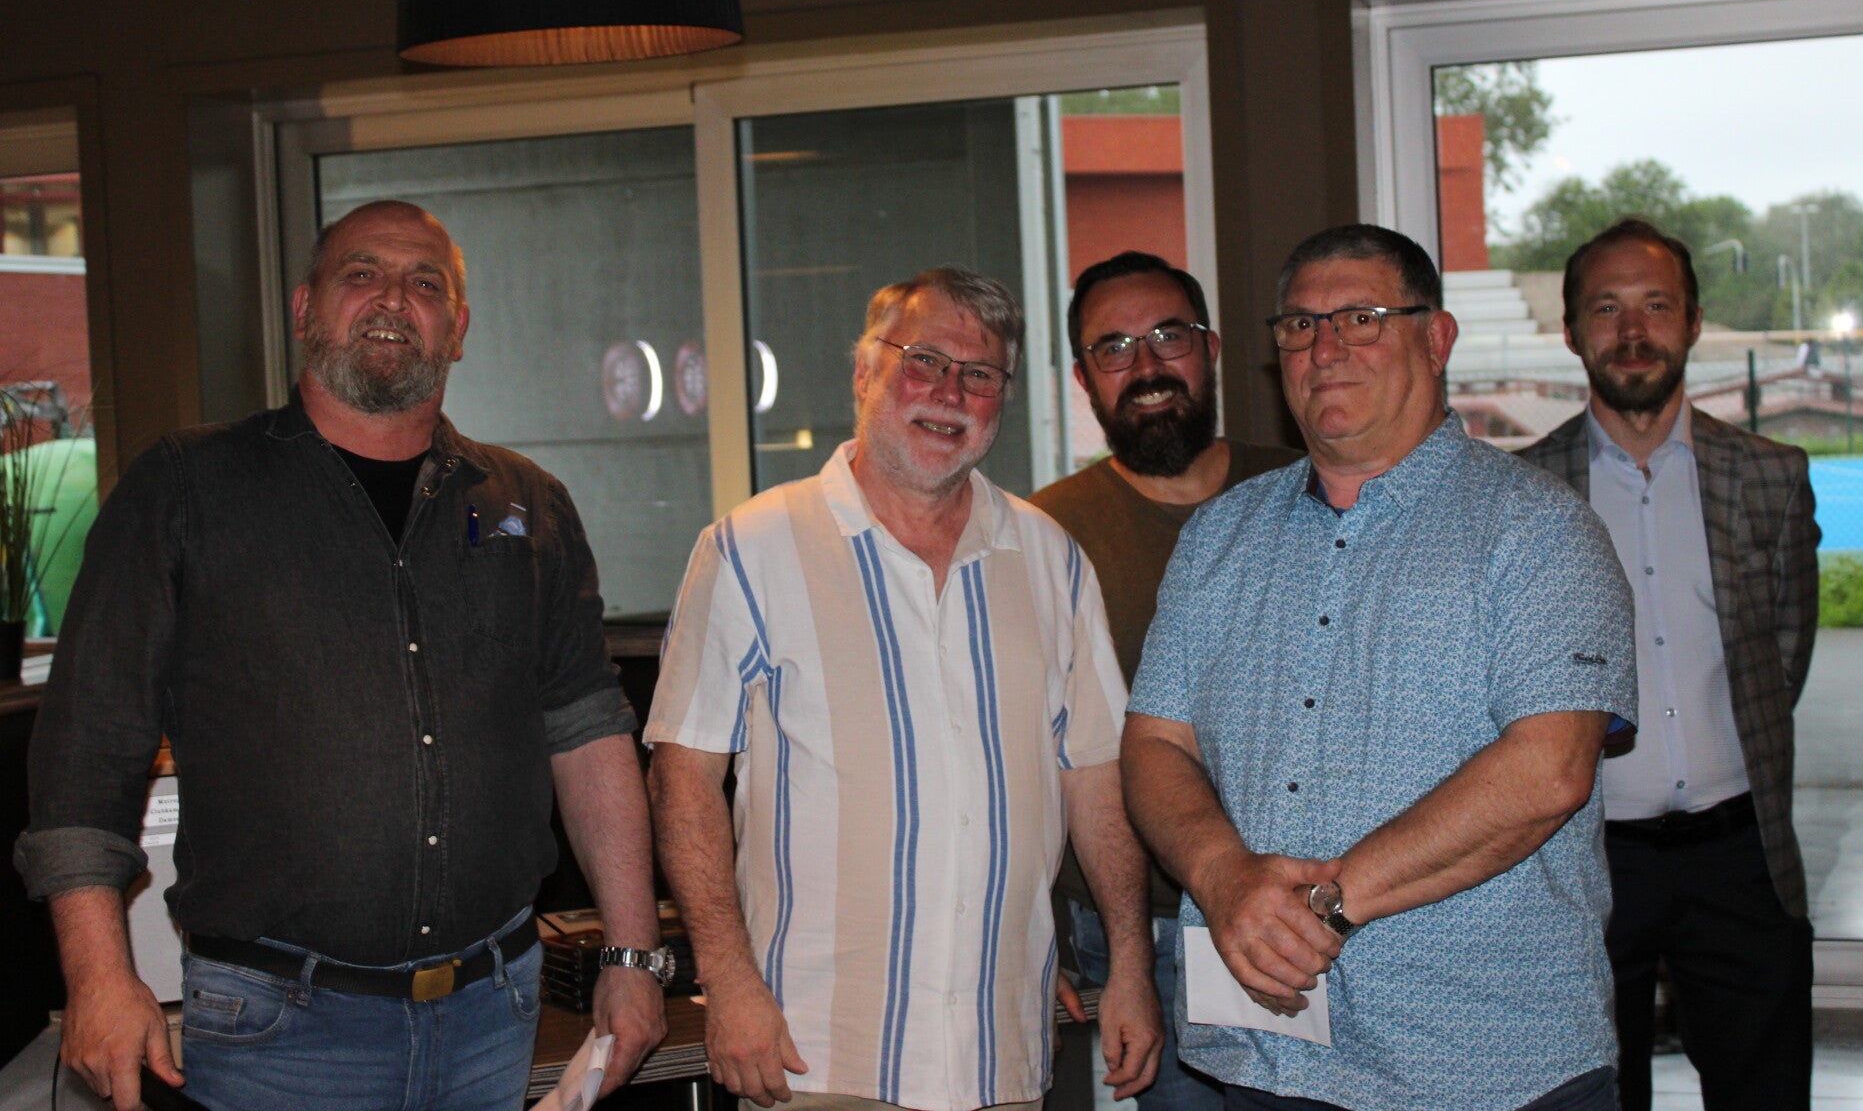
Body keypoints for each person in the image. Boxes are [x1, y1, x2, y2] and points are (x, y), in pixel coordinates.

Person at [15, 201, 669, 1111]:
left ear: (459, 329)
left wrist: (634, 955)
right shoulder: (187, 488)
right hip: (276, 1034)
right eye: (362, 274)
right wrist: (97, 975)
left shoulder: (526, 504)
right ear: (303, 308)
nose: (393, 299)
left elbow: (587, 730)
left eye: (424, 283)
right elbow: (89, 750)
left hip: (494, 1016)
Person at [1122, 224, 1637, 1111]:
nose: (1325, 350)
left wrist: (1316, 909)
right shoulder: (1218, 536)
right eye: (1300, 326)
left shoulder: (1540, 532)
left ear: (1436, 339)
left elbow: (1549, 770)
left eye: (1361, 318)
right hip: (1260, 1063)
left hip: (1486, 1071)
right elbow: (1154, 743)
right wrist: (1222, 876)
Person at [647, 268, 1162, 1111]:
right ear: (864, 373)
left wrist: (1132, 966)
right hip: (816, 1054)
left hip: (1001, 1053)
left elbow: (1097, 777)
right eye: (923, 361)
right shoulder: (751, 549)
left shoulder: (1051, 559)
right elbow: (683, 780)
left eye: (979, 374)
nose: (949, 393)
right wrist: (728, 981)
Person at [1517, 218, 1819, 1111]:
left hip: (1743, 860)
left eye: (1655, 305)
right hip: (1582, 861)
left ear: (1692, 321)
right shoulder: (1523, 494)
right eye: (1606, 308)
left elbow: (1785, 654)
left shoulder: (1771, 476)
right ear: (1571, 331)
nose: (1632, 330)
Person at [1031, 250, 1298, 1111]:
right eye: (1113, 348)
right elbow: (1014, 757)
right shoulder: (1043, 537)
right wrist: (1030, 942)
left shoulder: (1306, 490)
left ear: (1211, 349)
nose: (1145, 366)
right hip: (1134, 934)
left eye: (1167, 336)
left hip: (1309, 912)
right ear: (1083, 378)